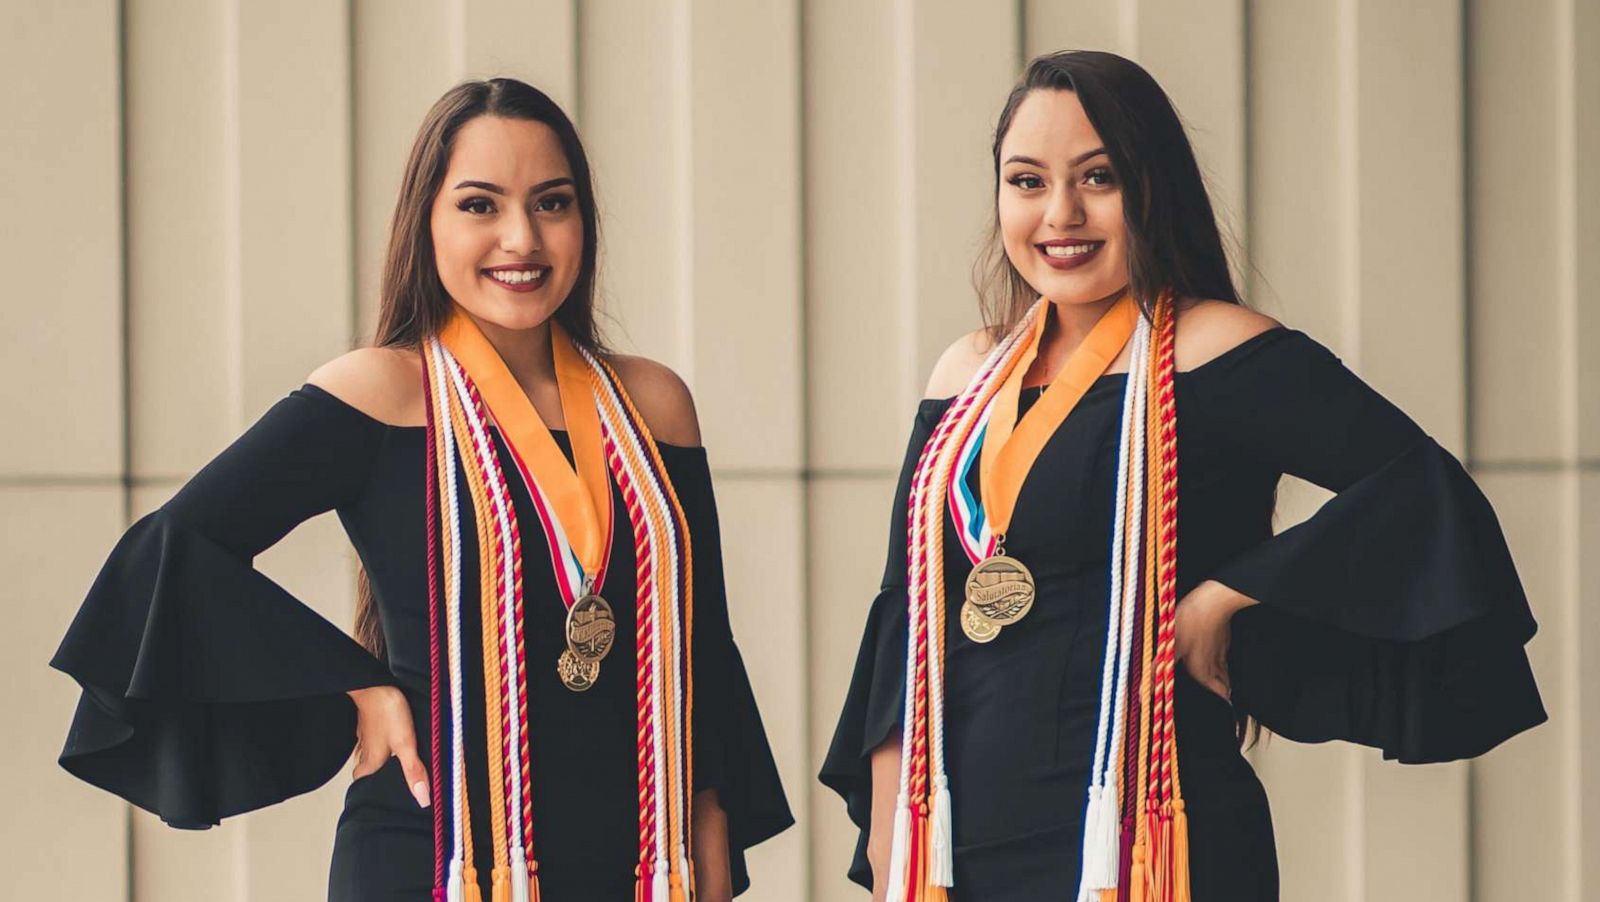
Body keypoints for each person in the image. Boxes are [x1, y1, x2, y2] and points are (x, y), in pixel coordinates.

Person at [819, 50, 1545, 902]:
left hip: (1148, 831)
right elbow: (907, 611)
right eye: (1027, 182)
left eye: (1098, 177)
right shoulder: (967, 373)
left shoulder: (1215, 348)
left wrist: (1227, 594)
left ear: (1152, 187)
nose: (1061, 213)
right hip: (959, 834)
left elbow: (1419, 488)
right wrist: (887, 831)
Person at [51, 77, 792, 902]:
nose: (522, 237)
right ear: (426, 224)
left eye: (553, 203)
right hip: (434, 854)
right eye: (480, 205)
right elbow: (169, 551)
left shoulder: (654, 405)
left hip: (638, 861)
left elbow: (705, 657)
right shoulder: (383, 392)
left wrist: (710, 840)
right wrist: (355, 684)